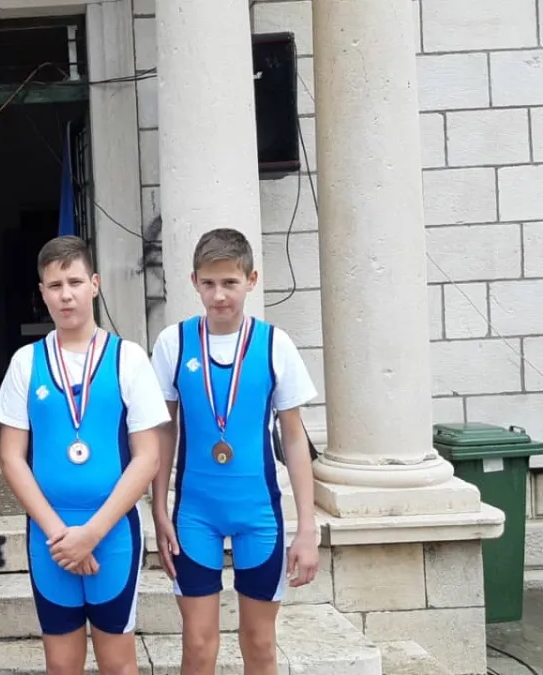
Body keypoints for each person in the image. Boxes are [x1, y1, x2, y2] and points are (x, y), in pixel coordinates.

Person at [0, 235, 168, 675]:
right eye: (55, 286)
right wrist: (61, 535)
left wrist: (91, 533)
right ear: (42, 293)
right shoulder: (25, 362)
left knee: (118, 663)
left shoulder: (128, 358)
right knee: (61, 664)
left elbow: (148, 457)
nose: (66, 295)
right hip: (49, 538)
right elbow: (11, 457)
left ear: (94, 284)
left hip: (113, 533)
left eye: (74, 282)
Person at [149, 228, 320, 675]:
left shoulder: (274, 344)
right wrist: (159, 509)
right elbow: (163, 431)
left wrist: (307, 528)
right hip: (194, 515)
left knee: (260, 643)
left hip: (259, 514)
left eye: (230, 282)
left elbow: (295, 438)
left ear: (251, 280)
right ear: (194, 282)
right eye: (208, 283)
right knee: (198, 644)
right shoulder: (173, 343)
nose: (219, 295)